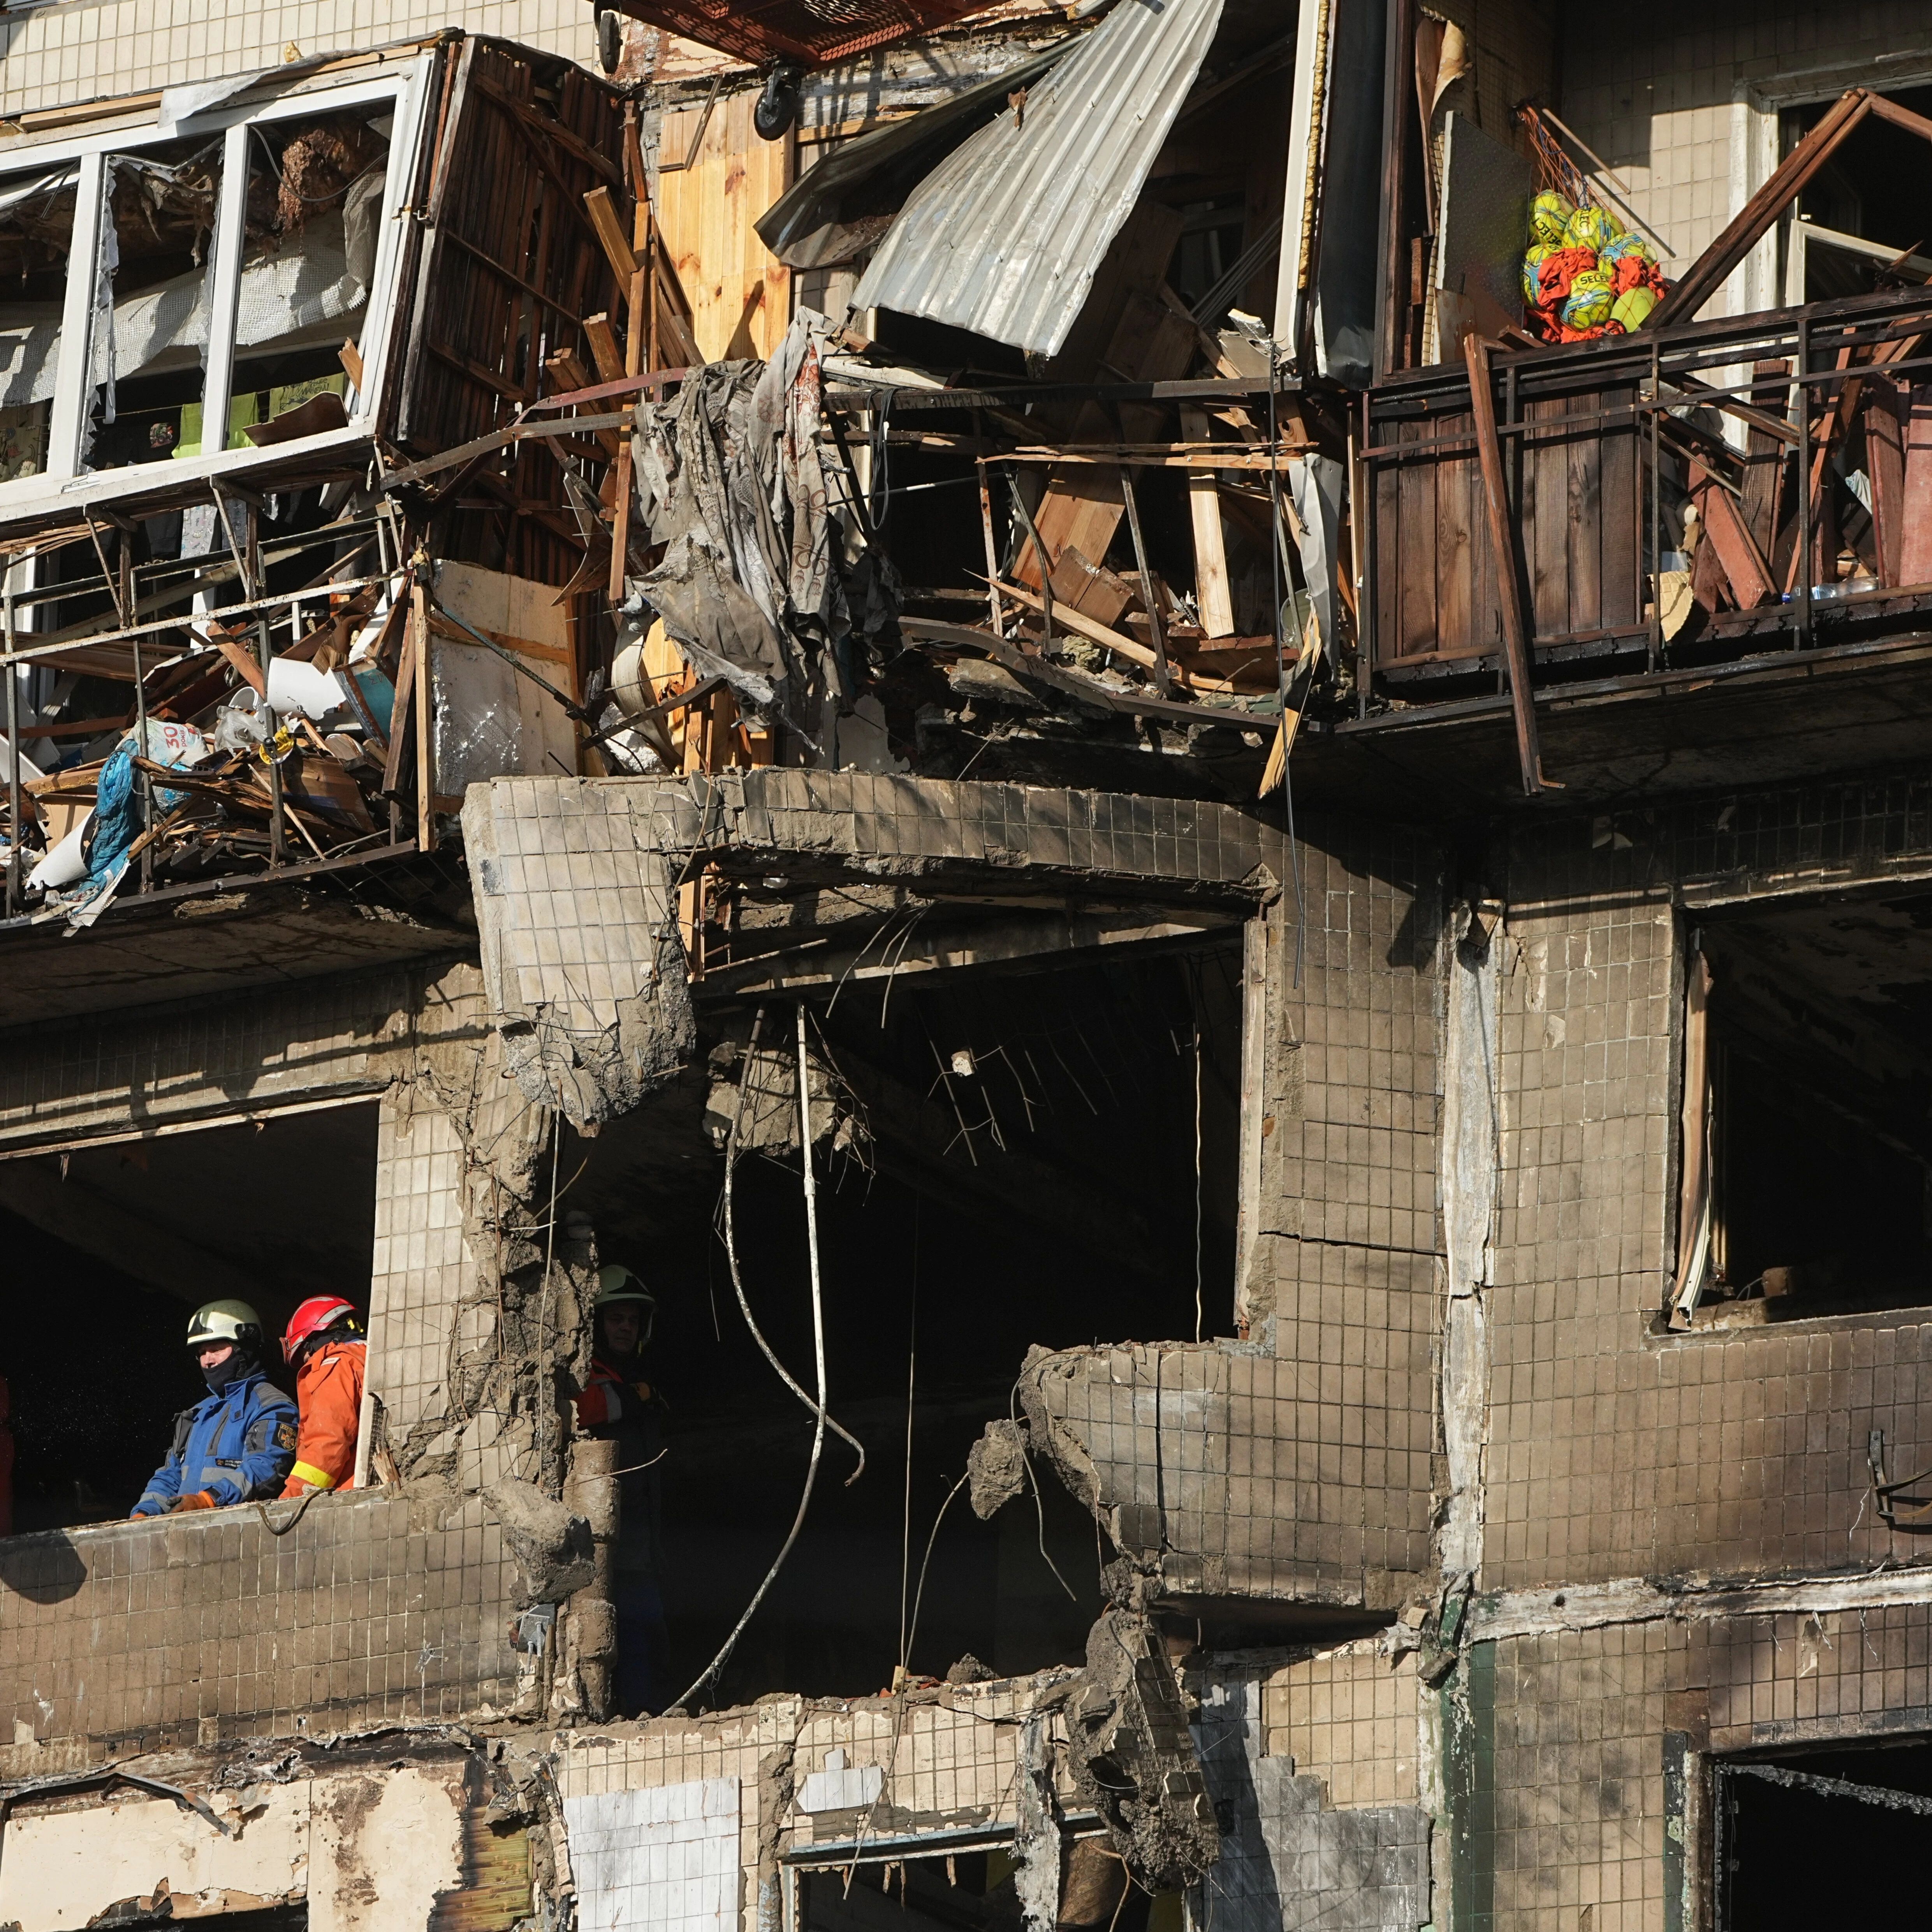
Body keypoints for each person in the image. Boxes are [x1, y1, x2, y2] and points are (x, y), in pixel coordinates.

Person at [574, 1265, 671, 1716]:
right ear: (596, 1324)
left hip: (646, 1533)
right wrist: (636, 1398)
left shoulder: (638, 1381)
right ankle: (635, 1710)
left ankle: (652, 1705)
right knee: (630, 1626)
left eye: (632, 1321)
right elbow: (585, 1407)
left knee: (652, 1628)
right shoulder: (589, 1374)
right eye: (616, 1319)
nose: (626, 1328)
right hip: (611, 1535)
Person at [130, 1301, 298, 1517]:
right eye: (202, 1352)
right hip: (182, 1533)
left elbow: (265, 1468)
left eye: (217, 1349)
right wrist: (144, 1513)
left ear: (244, 1350)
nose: (208, 1361)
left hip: (236, 1534)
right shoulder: (197, 1414)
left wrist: (208, 1500)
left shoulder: (272, 1406)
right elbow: (170, 1475)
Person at [278, 1296, 367, 1498]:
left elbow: (327, 1441)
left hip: (349, 1498)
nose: (309, 1363)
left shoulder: (337, 1365)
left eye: (306, 1354)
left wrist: (292, 1499)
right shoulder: (368, 1358)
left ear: (313, 1341)